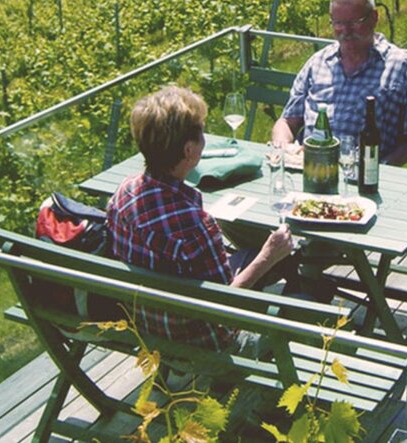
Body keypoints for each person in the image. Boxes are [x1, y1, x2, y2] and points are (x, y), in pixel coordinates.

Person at [106, 85, 295, 351]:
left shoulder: (123, 195)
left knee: (250, 253)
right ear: (189, 151)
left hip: (149, 328)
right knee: (309, 292)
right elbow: (222, 303)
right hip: (207, 343)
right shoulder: (194, 224)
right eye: (202, 132)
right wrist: (269, 256)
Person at [272, 0, 407, 165]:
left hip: (363, 177)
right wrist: (283, 148)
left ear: (374, 18)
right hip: (310, 169)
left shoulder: (401, 66)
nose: (346, 31)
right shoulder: (318, 62)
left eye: (355, 22)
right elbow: (287, 121)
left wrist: (380, 170)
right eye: (338, 23)